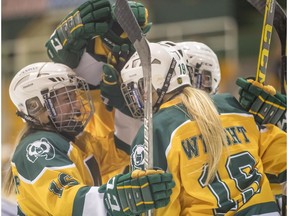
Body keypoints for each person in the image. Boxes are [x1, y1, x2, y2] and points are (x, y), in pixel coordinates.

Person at [118, 42, 286, 215]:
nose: (138, 98)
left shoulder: (156, 131)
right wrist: (282, 121)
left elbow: (158, 209)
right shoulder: (233, 106)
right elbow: (283, 162)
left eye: (138, 90)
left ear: (156, 83)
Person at [3, 62, 175, 216]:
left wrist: (124, 110)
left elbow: (121, 150)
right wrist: (120, 197)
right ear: (35, 106)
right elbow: (68, 206)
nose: (77, 104)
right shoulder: (38, 147)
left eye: (75, 96)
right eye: (67, 98)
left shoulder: (76, 142)